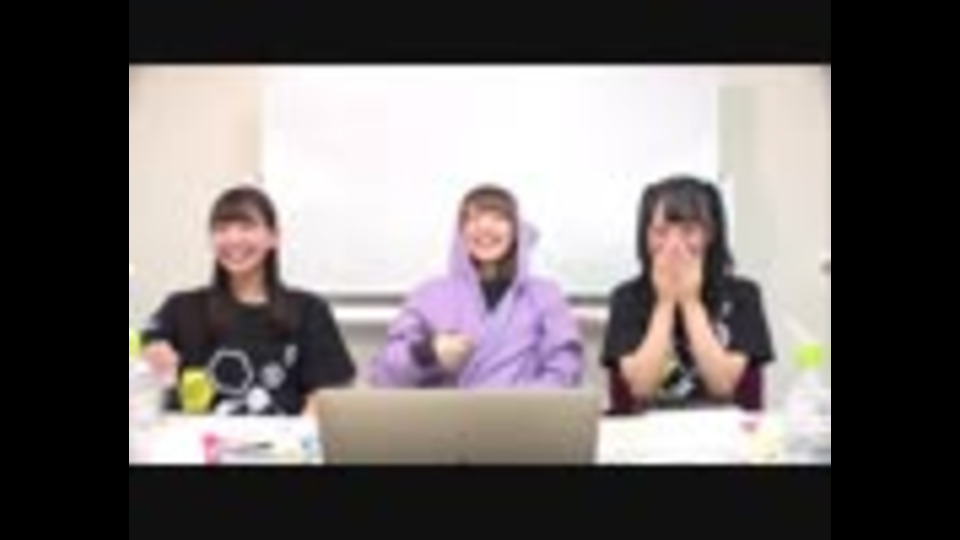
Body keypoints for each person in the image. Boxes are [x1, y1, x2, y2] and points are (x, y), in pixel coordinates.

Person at [142, 185, 356, 416]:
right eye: (222, 229)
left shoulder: (310, 310)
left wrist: (299, 434)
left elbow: (326, 394)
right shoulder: (181, 307)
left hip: (282, 438)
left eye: (247, 227)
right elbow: (148, 340)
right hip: (197, 437)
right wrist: (154, 349)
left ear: (273, 237)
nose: (233, 239)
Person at [370, 184, 584, 388]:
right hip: (448, 414)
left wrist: (524, 405)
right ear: (460, 232)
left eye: (499, 218)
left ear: (516, 231)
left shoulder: (545, 295)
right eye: (473, 218)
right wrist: (428, 352)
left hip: (525, 413)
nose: (485, 227)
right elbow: (384, 375)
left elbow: (566, 367)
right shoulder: (428, 294)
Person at [601, 175, 774, 412]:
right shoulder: (626, 298)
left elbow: (722, 385)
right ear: (645, 236)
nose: (673, 245)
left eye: (689, 231)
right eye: (660, 232)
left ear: (710, 234)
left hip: (723, 430)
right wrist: (665, 303)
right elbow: (641, 387)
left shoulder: (743, 295)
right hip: (646, 432)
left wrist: (690, 302)